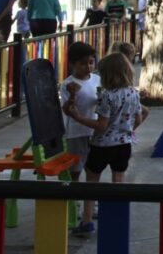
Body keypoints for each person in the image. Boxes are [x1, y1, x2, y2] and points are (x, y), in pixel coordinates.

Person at [63, 52, 146, 236]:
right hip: (124, 145)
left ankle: (86, 222)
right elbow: (139, 118)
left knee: (92, 184)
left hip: (102, 146)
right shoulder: (134, 93)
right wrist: (126, 130)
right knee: (118, 181)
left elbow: (101, 125)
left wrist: (78, 117)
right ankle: (117, 219)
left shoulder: (108, 96)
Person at [59, 42, 100, 218]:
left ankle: (91, 206)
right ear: (72, 64)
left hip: (95, 131)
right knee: (75, 170)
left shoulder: (97, 80)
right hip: (76, 133)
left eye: (91, 62)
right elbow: (66, 110)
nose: (88, 67)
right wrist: (72, 97)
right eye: (83, 63)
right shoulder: (67, 84)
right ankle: (73, 204)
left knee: (93, 171)